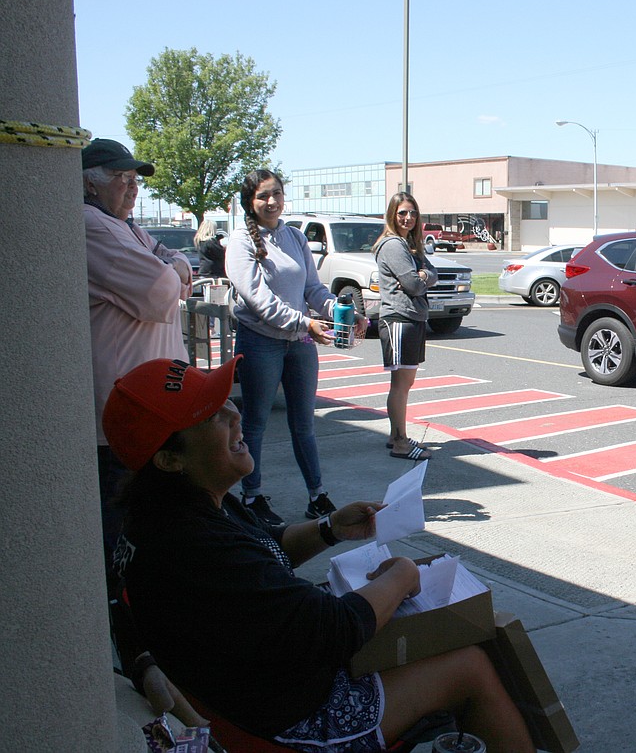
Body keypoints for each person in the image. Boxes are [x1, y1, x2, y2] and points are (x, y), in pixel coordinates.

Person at [105, 356, 534, 752]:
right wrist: (401, 574)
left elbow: (264, 547)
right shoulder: (193, 545)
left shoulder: (175, 508)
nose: (234, 414)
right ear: (169, 459)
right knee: (471, 664)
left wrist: (329, 529)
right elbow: (336, 629)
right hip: (285, 720)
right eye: (211, 415)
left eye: (224, 402)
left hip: (259, 683)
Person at [82, 137, 205, 728]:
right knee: (120, 549)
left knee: (152, 538)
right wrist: (174, 269)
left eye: (137, 179)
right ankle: (133, 655)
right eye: (122, 178)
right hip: (120, 425)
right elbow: (163, 292)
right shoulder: (88, 225)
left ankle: (155, 646)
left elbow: (171, 266)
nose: (133, 186)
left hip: (154, 417)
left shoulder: (124, 228)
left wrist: (172, 264)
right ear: (89, 182)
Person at [225, 169, 368, 526]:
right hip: (260, 341)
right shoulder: (240, 242)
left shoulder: (294, 237)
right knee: (255, 423)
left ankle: (317, 495)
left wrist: (341, 312)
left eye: (276, 194)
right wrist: (306, 323)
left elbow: (313, 289)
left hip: (299, 342)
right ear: (250, 202)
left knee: (304, 423)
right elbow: (259, 300)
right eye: (263, 196)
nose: (271, 202)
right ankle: (252, 496)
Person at [373, 191, 437, 460]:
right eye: (402, 213)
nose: (408, 217)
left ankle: (395, 435)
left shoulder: (409, 245)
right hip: (399, 319)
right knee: (400, 384)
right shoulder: (393, 245)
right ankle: (400, 443)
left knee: (404, 383)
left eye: (412, 212)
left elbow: (431, 273)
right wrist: (419, 278)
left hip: (413, 317)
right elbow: (412, 285)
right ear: (392, 215)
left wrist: (422, 274)